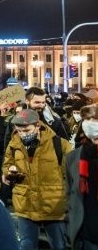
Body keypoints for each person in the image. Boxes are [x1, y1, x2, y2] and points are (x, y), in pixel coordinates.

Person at [2, 109, 72, 250]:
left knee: (59, 246)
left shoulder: (60, 144)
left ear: (38, 125)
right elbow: (7, 163)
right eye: (19, 130)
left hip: (53, 205)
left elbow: (70, 174)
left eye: (27, 130)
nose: (22, 134)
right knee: (26, 246)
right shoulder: (14, 144)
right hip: (25, 204)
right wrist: (8, 172)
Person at [66, 104, 98, 249]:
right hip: (86, 236)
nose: (91, 123)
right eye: (87, 119)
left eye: (95, 119)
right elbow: (69, 193)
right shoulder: (73, 158)